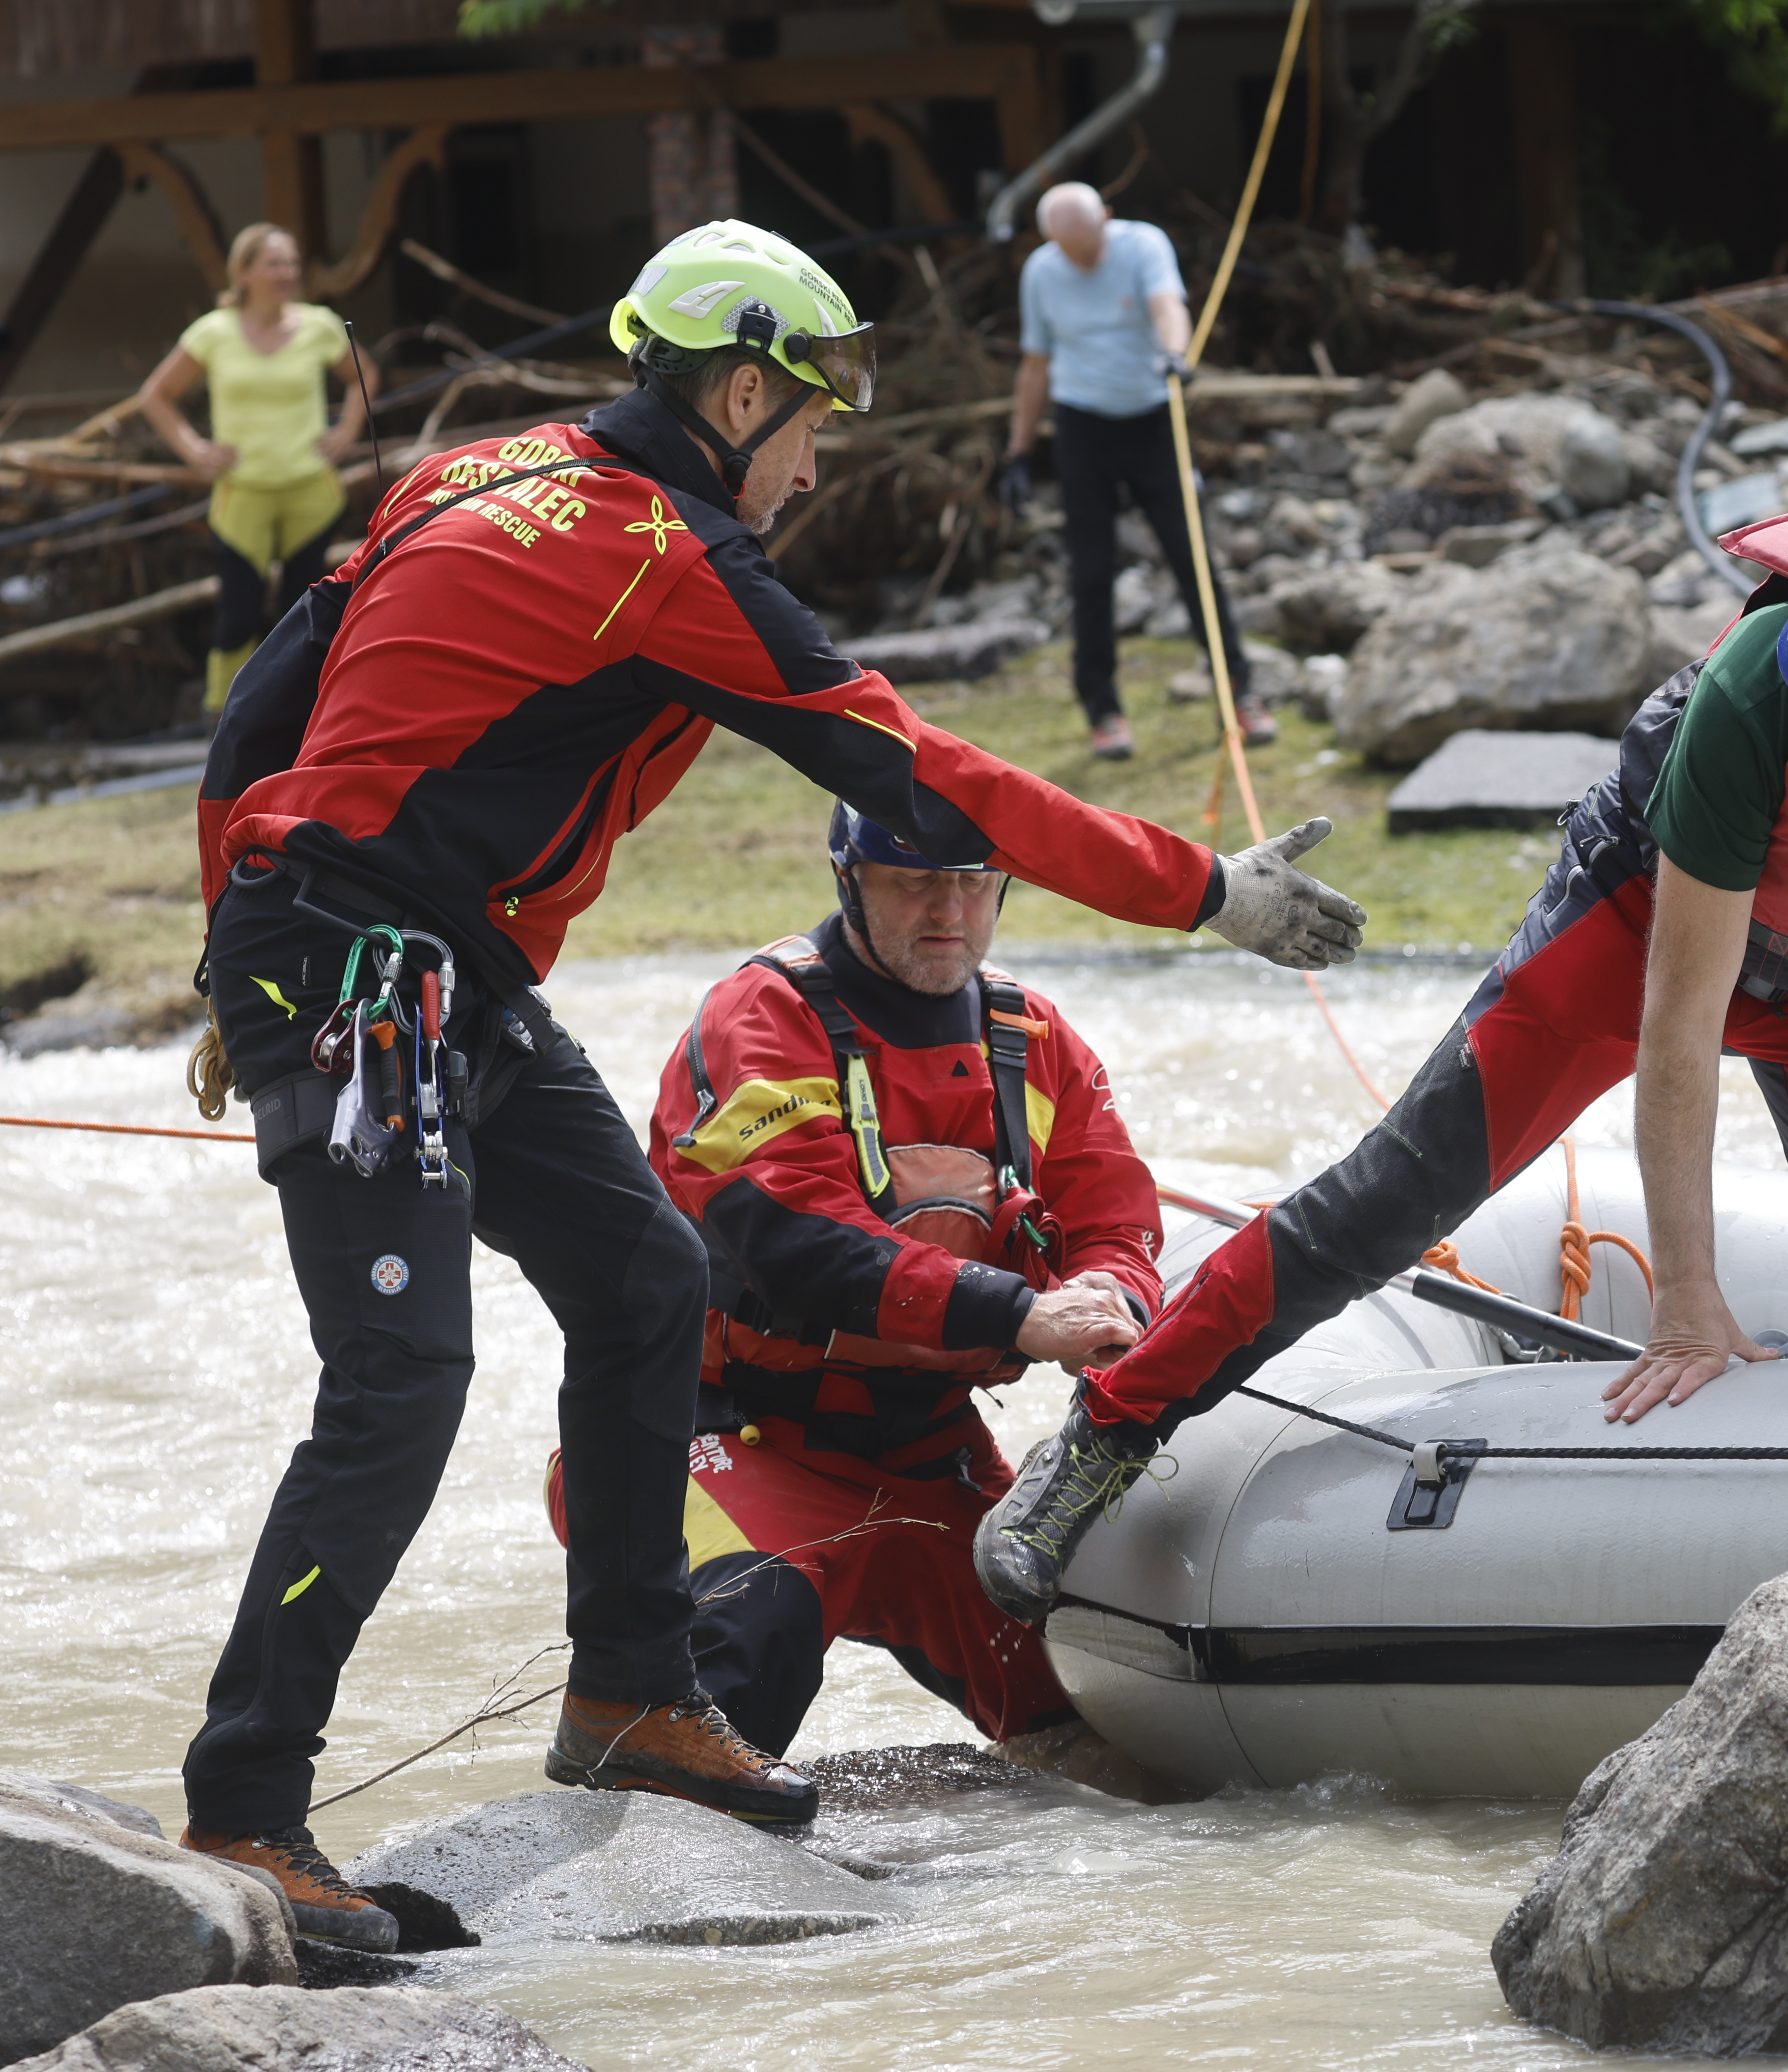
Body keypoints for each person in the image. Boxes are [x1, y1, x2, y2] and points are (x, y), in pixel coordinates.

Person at [181, 219, 1362, 1950]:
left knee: (647, 1276)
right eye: (810, 420)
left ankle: (631, 1695)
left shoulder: (483, 466)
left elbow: (260, 710)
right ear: (738, 391)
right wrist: (1207, 893)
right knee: (401, 1377)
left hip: (420, 964)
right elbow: (930, 769)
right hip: (356, 969)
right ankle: (243, 1808)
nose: (817, 459)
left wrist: (229, 918)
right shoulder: (662, 553)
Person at [972, 503, 1788, 1624]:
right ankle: (1107, 1432)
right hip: (1644, 931)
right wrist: (1687, 1293)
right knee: (1398, 1190)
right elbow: (1680, 1028)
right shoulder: (1758, 696)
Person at [557, 802, 1168, 1798]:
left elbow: (1115, 1208)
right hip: (726, 1440)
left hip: (928, 1456)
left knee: (1110, 1728)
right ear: (851, 881)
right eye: (914, 881)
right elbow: (794, 1242)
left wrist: (1112, 1290)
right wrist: (1023, 1315)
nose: (950, 911)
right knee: (753, 1643)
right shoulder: (761, 1015)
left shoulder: (1034, 1035)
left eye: (974, 883)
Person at [997, 182, 1264, 762]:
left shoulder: (1143, 247)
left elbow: (1169, 307)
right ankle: (1104, 711)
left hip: (1151, 421)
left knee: (1192, 557)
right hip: (1083, 429)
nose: (1080, 257)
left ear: (1107, 221)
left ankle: (1239, 694)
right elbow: (1035, 364)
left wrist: (1176, 354)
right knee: (1091, 573)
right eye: (1066, 247)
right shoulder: (1042, 272)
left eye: (1086, 243)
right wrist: (1018, 454)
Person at [136, 222, 378, 718]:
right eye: (274, 264)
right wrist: (194, 448)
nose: (286, 273)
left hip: (310, 492)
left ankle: (305, 714)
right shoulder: (213, 332)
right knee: (239, 612)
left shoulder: (320, 325)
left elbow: (364, 376)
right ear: (243, 272)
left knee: (306, 609)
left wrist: (347, 430)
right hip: (242, 494)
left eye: (291, 263)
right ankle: (221, 716)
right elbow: (154, 396)